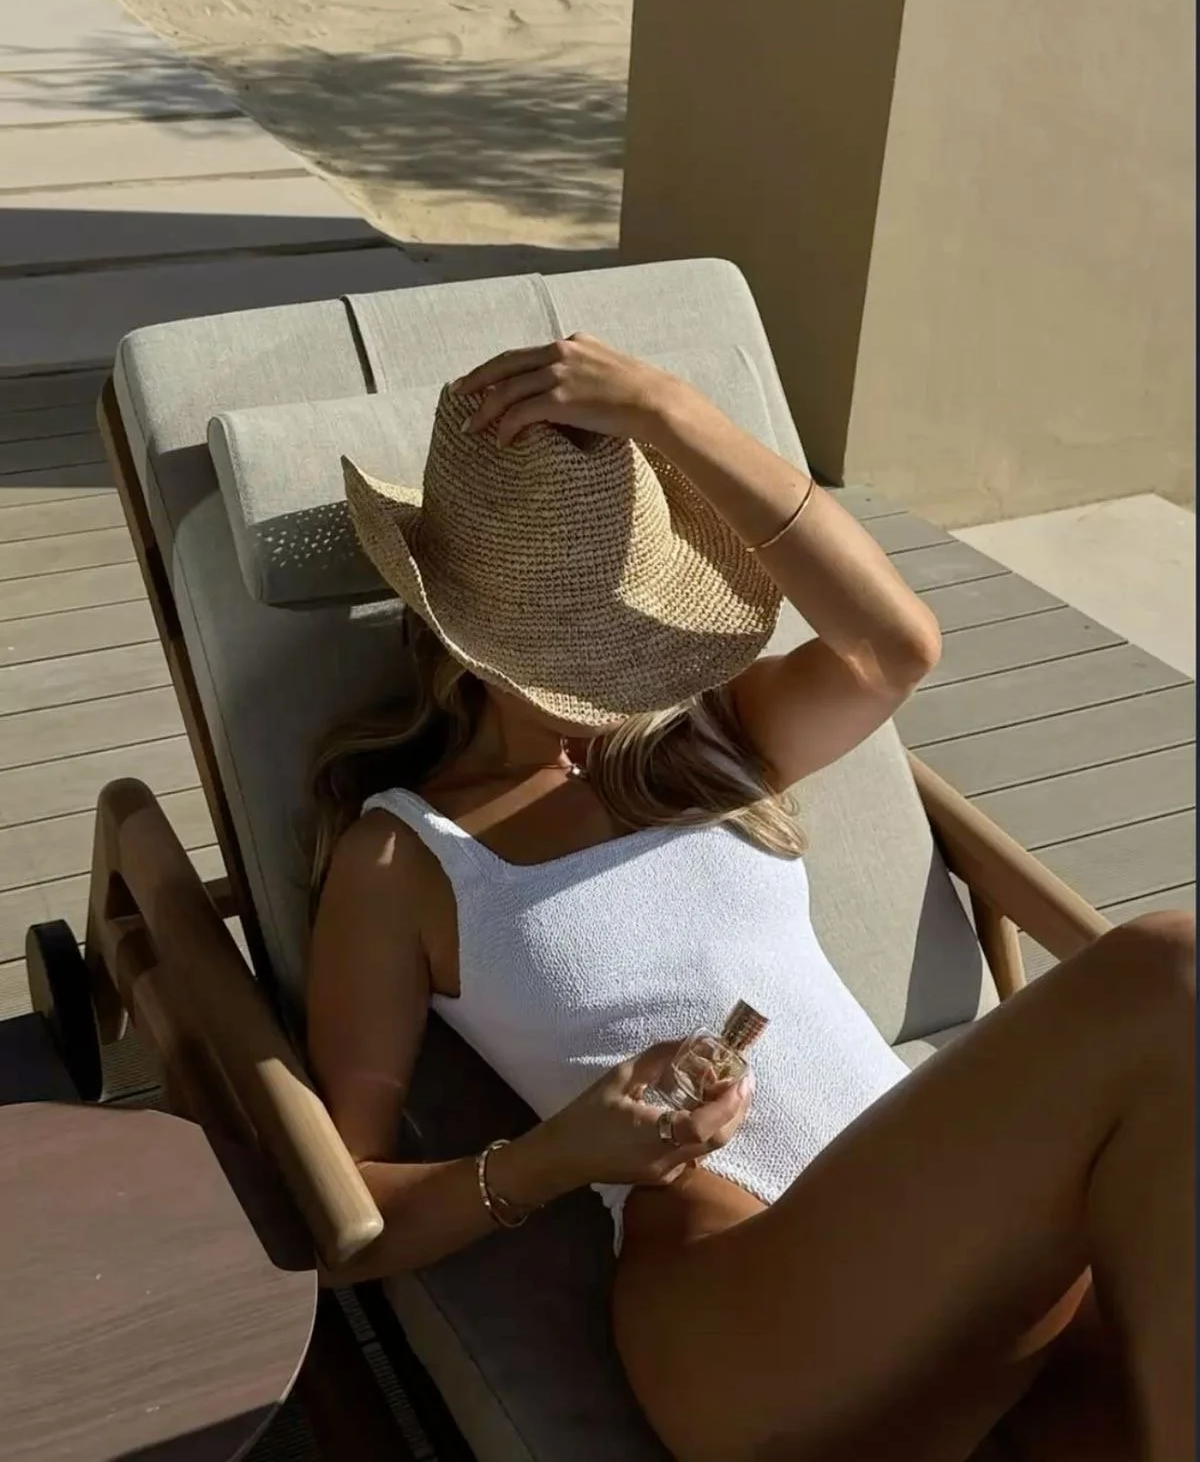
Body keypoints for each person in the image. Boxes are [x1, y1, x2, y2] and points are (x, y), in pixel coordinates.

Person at [306, 333, 1194, 1462]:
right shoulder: (406, 857)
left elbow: (895, 643)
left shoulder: (702, 749)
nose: (607, 680)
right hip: (736, 1309)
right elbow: (348, 1215)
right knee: (1173, 970)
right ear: (459, 632)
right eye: (566, 647)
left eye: (621, 633)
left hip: (957, 1269)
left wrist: (672, 414)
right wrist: (563, 1155)